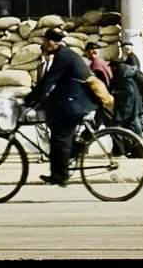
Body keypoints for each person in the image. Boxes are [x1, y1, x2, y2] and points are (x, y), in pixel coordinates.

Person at [23, 28, 99, 187]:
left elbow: (49, 81)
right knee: (56, 128)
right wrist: (40, 102)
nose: (43, 45)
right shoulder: (63, 54)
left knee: (59, 136)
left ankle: (61, 175)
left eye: (44, 42)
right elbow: (55, 85)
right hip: (73, 98)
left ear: (51, 42)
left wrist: (28, 100)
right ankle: (66, 160)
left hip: (77, 101)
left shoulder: (63, 56)